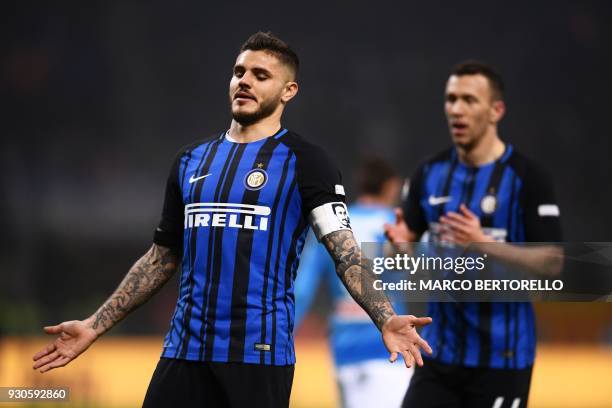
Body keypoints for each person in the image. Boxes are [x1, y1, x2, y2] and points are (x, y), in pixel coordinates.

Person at [32, 32, 433, 408]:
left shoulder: (307, 163)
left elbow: (345, 252)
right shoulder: (191, 162)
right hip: (184, 351)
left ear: (288, 91)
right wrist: (94, 325)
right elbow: (160, 259)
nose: (245, 81)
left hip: (258, 358)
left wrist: (384, 316)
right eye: (240, 72)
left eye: (261, 75)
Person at [384, 61, 563, 408]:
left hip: (502, 359)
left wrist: (485, 244)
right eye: (451, 99)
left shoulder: (528, 177)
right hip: (438, 355)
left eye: (469, 99)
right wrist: (398, 247)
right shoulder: (428, 173)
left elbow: (553, 262)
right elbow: (402, 251)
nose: (456, 109)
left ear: (496, 110)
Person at [294, 158, 411, 408]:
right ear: (391, 187)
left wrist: (282, 334)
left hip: (343, 350)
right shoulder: (395, 225)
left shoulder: (333, 226)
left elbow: (302, 290)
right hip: (387, 350)